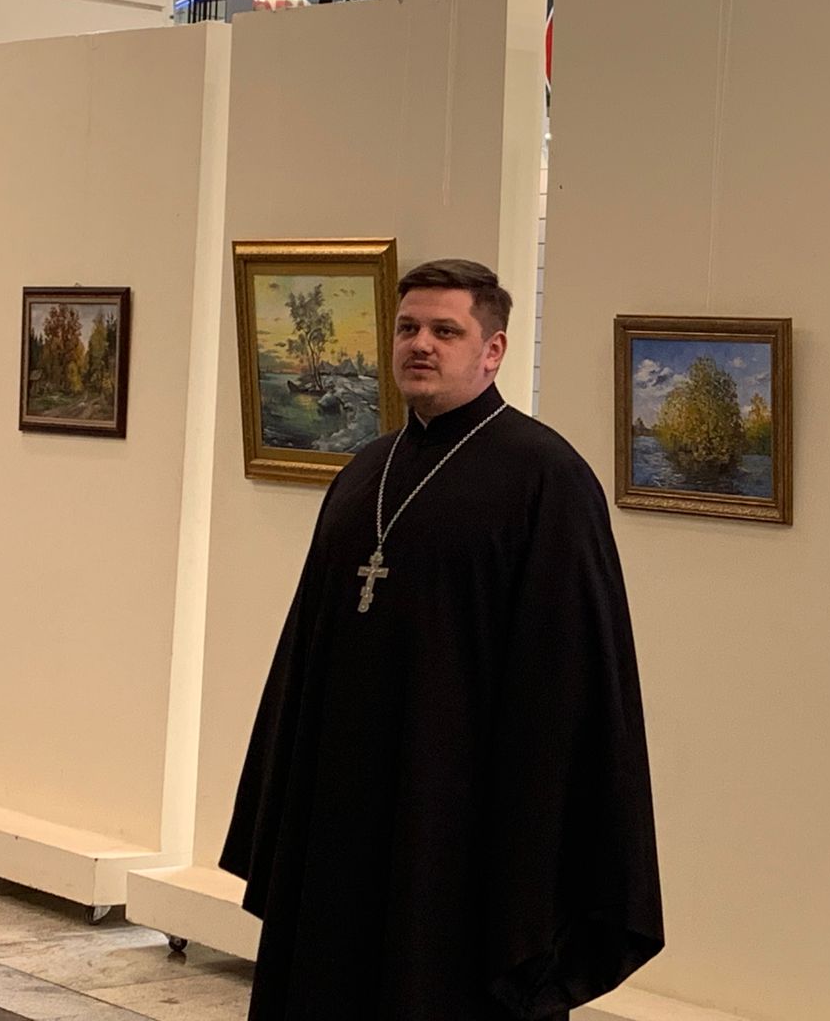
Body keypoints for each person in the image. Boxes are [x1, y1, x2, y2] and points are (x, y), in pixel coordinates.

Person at [221, 259, 663, 1019]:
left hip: (461, 821)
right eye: (407, 328)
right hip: (342, 812)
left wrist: (533, 847)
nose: (420, 344)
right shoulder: (364, 472)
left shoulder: (546, 478)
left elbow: (572, 679)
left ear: (493, 350)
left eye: (445, 331)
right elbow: (304, 657)